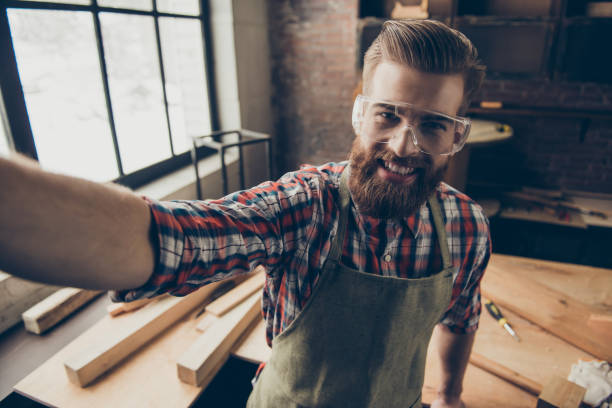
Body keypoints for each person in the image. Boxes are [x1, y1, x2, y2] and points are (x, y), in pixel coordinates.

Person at [0, 19, 489, 408]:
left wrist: (448, 396)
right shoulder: (306, 207)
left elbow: (461, 317)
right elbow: (176, 240)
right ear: (360, 113)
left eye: (434, 125)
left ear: (457, 135)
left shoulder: (467, 228)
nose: (404, 146)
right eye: (388, 115)